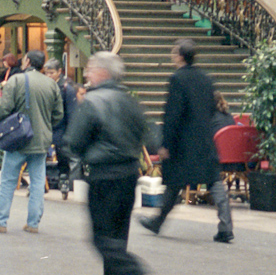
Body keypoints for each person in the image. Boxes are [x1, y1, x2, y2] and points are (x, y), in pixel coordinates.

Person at [139, 38, 234, 243]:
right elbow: (210, 108)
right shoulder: (206, 78)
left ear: (181, 56)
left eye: (174, 52)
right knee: (215, 182)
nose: (172, 55)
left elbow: (173, 114)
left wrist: (166, 143)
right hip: (205, 139)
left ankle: (158, 221)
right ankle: (226, 226)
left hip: (183, 142)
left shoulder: (177, 79)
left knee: (174, 184)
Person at [66, 53, 147, 275]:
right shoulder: (129, 100)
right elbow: (144, 132)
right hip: (129, 174)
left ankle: (136, 271)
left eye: (91, 68)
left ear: (103, 72)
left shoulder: (92, 101)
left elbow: (75, 140)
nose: (87, 73)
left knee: (102, 239)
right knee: (119, 237)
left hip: (104, 176)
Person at [0, 51, 63, 234]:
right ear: (42, 65)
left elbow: (4, 109)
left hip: (18, 139)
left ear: (27, 61)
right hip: (41, 141)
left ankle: (0, 221)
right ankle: (33, 223)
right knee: (38, 182)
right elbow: (58, 115)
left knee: (8, 180)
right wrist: (45, 124)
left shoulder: (16, 80)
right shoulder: (51, 84)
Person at [43, 58, 78, 191]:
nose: (49, 76)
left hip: (61, 130)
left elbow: (71, 112)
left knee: (62, 158)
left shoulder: (66, 89)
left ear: (59, 72)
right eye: (46, 73)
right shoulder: (45, 87)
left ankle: (63, 180)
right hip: (48, 128)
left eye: (51, 73)